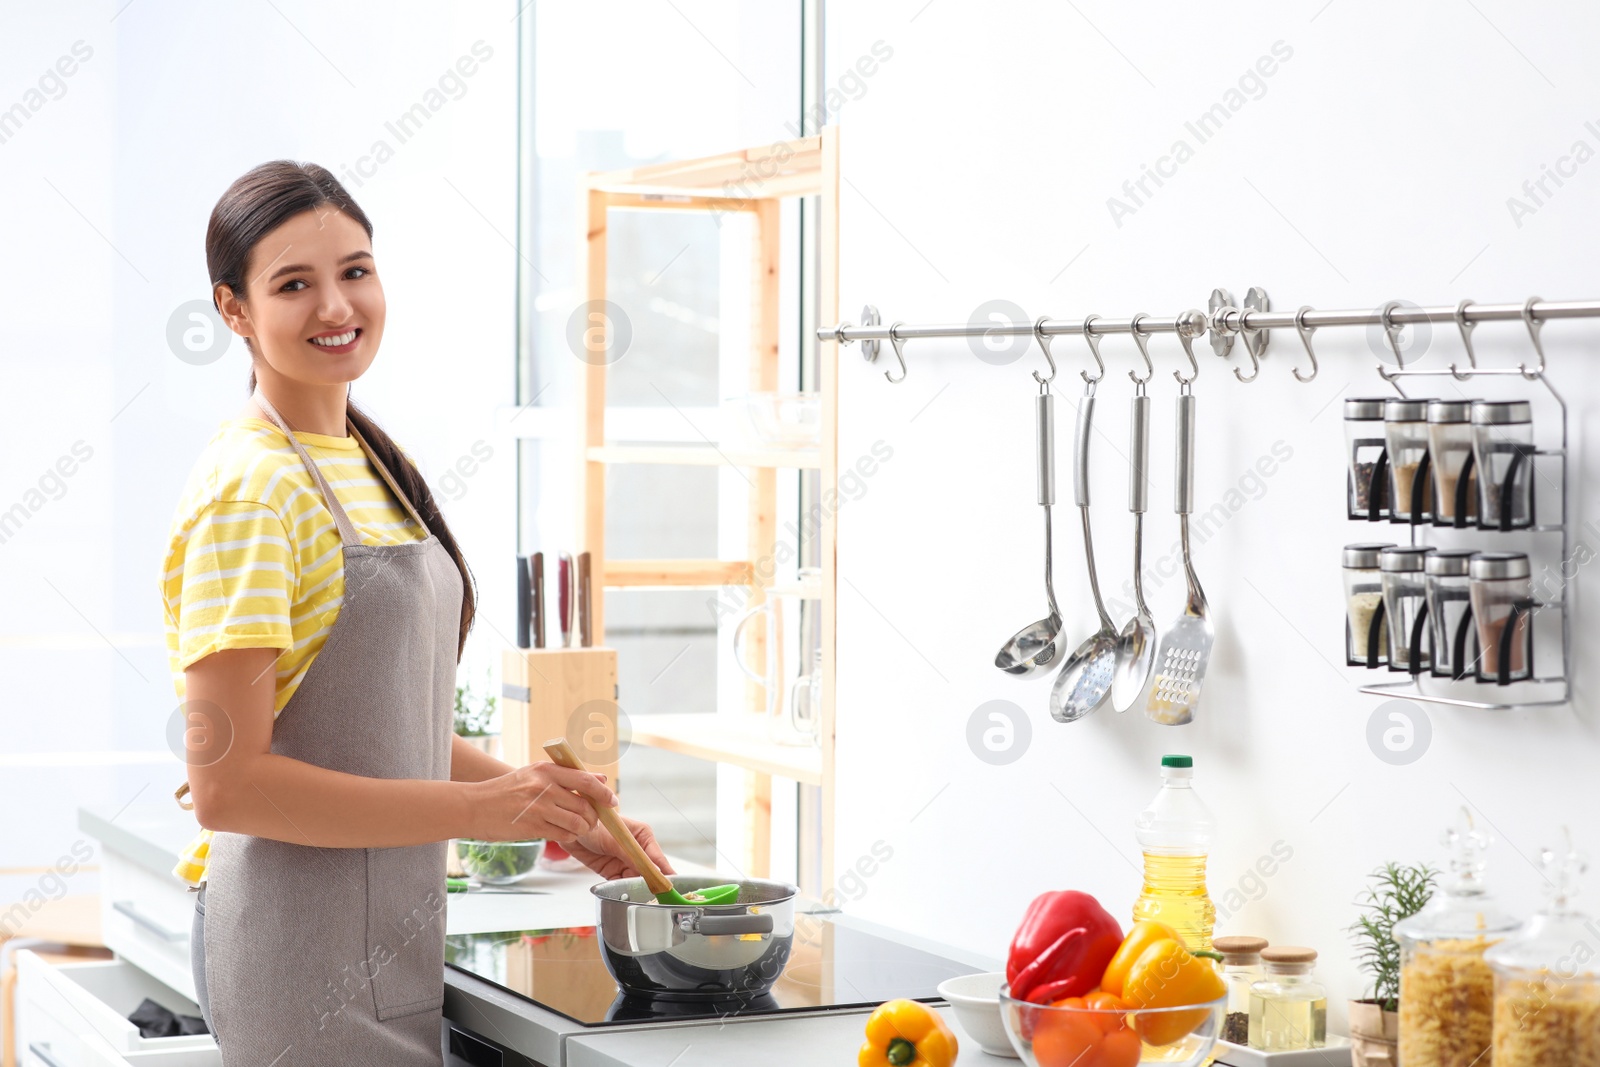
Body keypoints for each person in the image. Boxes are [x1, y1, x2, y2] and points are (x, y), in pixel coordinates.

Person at [161, 160, 671, 1065]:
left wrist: (550, 810)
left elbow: (381, 725)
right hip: (294, 942)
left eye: (354, 271)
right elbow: (228, 785)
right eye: (293, 284)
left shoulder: (369, 464)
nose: (335, 306)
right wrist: (482, 808)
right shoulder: (250, 490)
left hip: (386, 929)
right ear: (233, 310)